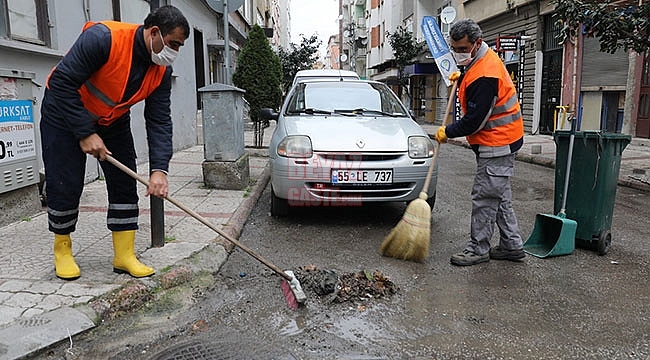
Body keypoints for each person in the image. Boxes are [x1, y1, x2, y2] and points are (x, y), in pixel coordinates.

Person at [40, 5, 189, 279]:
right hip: (63, 113)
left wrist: (159, 170)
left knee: (123, 182)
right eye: (173, 44)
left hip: (111, 120)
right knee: (66, 181)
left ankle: (124, 255)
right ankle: (62, 249)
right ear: (154, 32)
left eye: (180, 47)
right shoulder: (103, 39)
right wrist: (85, 132)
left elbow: (159, 121)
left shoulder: (161, 72)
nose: (174, 53)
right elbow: (62, 82)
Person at [433, 19, 525, 266]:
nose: (459, 53)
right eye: (455, 48)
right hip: (501, 139)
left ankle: (478, 249)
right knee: (499, 195)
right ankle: (511, 245)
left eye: (463, 49)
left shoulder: (486, 74)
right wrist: (460, 79)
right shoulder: (479, 62)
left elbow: (475, 121)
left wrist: (447, 132)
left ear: (477, 44)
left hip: (497, 143)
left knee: (485, 197)